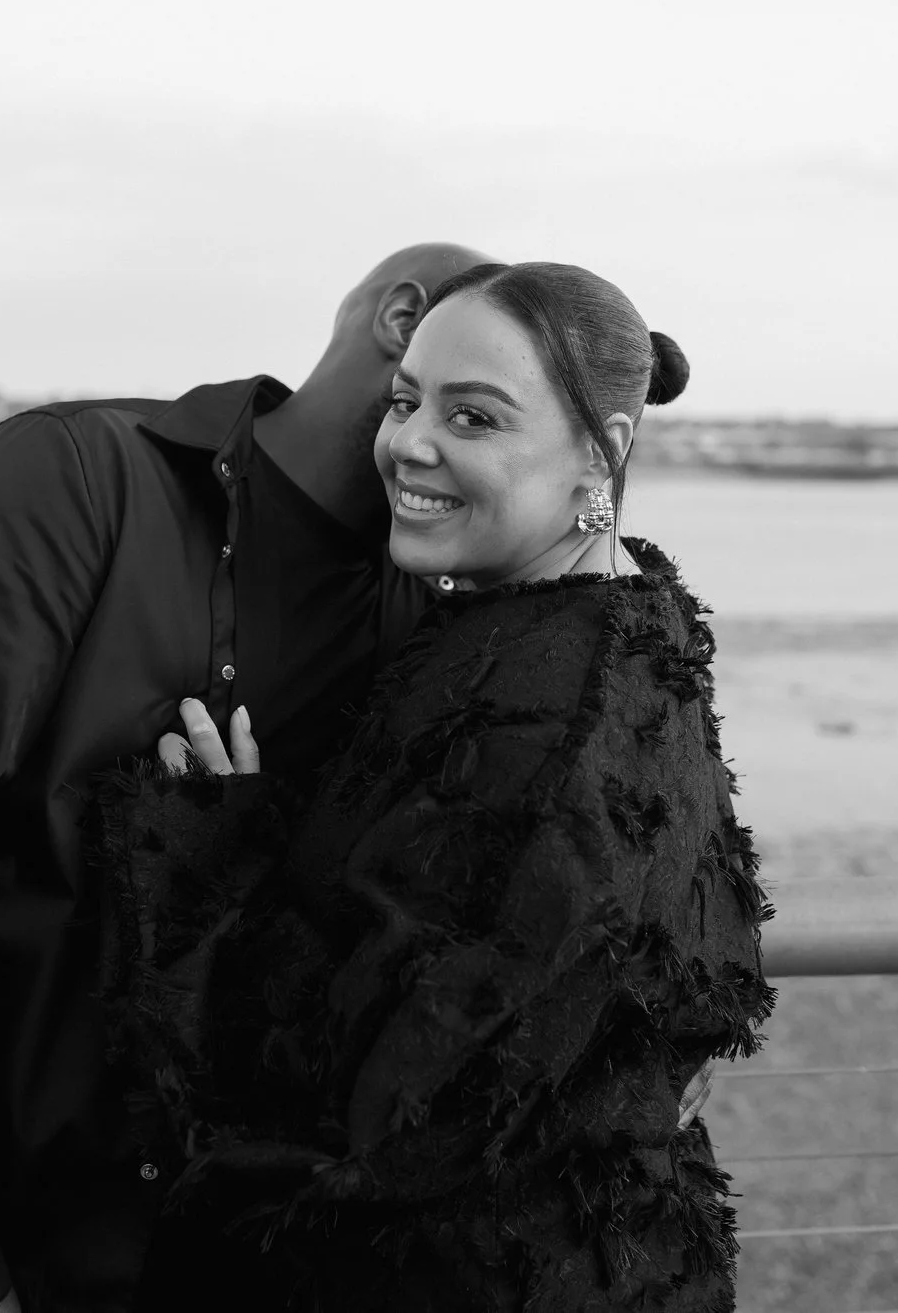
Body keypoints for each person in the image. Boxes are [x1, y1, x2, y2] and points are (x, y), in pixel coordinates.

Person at [0, 242, 495, 1313]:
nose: (466, 449)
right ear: (405, 320)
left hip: (180, 1256)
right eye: (479, 406)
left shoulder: (434, 615)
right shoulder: (74, 477)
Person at [103, 262, 773, 1312]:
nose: (410, 441)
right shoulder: (623, 618)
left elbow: (352, 1094)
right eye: (405, 398)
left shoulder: (541, 706)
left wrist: (207, 847)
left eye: (475, 416)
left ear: (604, 451)